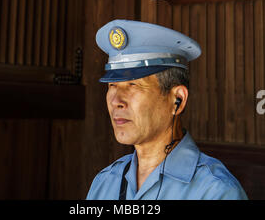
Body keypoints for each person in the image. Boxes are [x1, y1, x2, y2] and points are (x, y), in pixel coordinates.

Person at [86, 19, 248, 200]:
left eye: (133, 85)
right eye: (112, 85)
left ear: (177, 99)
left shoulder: (215, 192)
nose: (116, 101)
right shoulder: (105, 183)